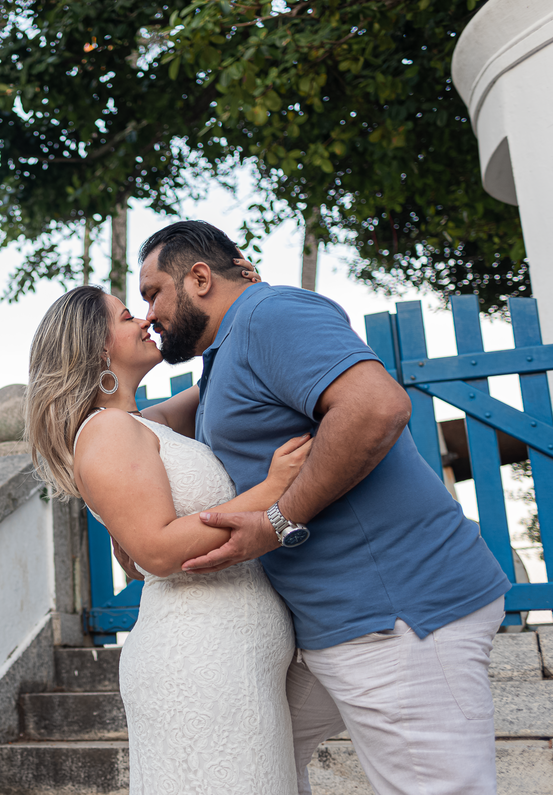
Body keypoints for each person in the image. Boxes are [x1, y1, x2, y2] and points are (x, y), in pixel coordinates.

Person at [125, 220, 511, 795]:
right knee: (246, 759)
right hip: (330, 625)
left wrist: (277, 522)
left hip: (396, 612)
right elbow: (142, 427)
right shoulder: (227, 355)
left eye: (153, 292)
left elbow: (377, 407)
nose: (149, 314)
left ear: (200, 278)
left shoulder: (269, 315)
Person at [25, 268, 313, 794]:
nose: (146, 319)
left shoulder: (142, 423)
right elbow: (155, 551)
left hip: (236, 662)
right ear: (95, 349)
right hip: (197, 663)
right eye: (127, 316)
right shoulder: (107, 431)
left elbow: (220, 375)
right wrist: (276, 489)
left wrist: (241, 286)